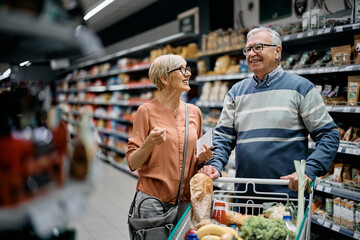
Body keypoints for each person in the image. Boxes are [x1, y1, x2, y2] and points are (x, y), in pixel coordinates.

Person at [199, 27, 340, 198]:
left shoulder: (301, 88)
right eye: (248, 49)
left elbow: (329, 135)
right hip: (246, 196)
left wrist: (309, 170)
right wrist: (215, 163)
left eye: (258, 47)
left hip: (287, 197)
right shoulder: (236, 92)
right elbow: (223, 137)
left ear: (277, 51)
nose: (252, 53)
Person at [126, 54, 213, 222]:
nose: (188, 73)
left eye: (187, 68)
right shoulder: (146, 111)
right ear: (164, 79)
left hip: (187, 202)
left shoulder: (194, 112)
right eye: (182, 69)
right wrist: (149, 143)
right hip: (153, 202)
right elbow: (132, 163)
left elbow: (196, 159)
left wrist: (202, 159)